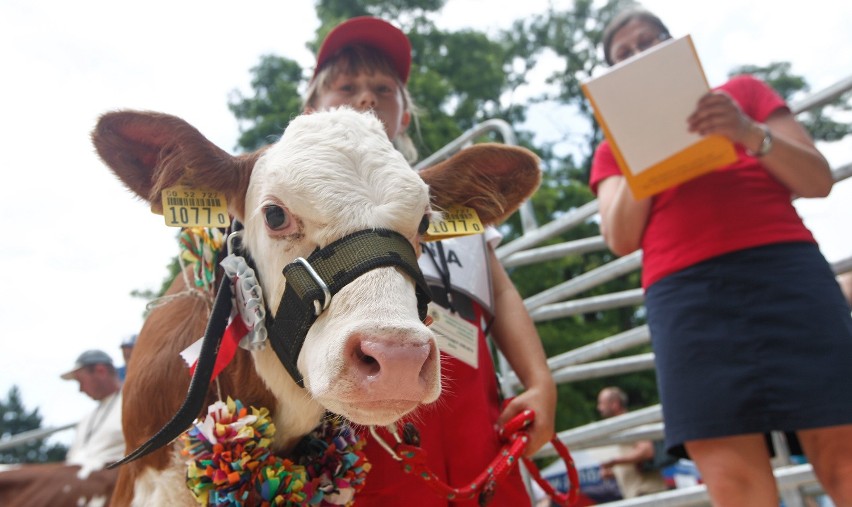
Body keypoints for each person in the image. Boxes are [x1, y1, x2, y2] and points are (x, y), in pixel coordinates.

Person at [590, 7, 852, 506]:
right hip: (685, 296)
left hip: (787, 272)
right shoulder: (613, 146)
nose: (639, 56)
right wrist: (646, 152)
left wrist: (747, 131)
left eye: (649, 42)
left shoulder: (745, 93)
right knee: (733, 484)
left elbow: (817, 180)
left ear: (675, 46)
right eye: (623, 55)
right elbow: (621, 237)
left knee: (845, 457)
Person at [303, 16, 557, 506]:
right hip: (366, 426)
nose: (366, 97)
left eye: (383, 87)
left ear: (404, 110)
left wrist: (540, 383)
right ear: (311, 107)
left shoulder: (451, 196)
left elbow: (500, 293)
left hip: (476, 414)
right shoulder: (299, 205)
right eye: (346, 86)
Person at [60, 349, 125, 478]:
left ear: (101, 371)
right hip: (75, 486)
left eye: (80, 381)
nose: (80, 389)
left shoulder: (132, 404)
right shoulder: (86, 419)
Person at [596, 387, 668, 498]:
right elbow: (634, 461)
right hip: (640, 494)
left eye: (602, 403)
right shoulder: (620, 427)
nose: (599, 408)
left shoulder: (630, 424)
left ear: (615, 404)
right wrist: (615, 472)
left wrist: (614, 462)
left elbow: (647, 451)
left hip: (647, 493)